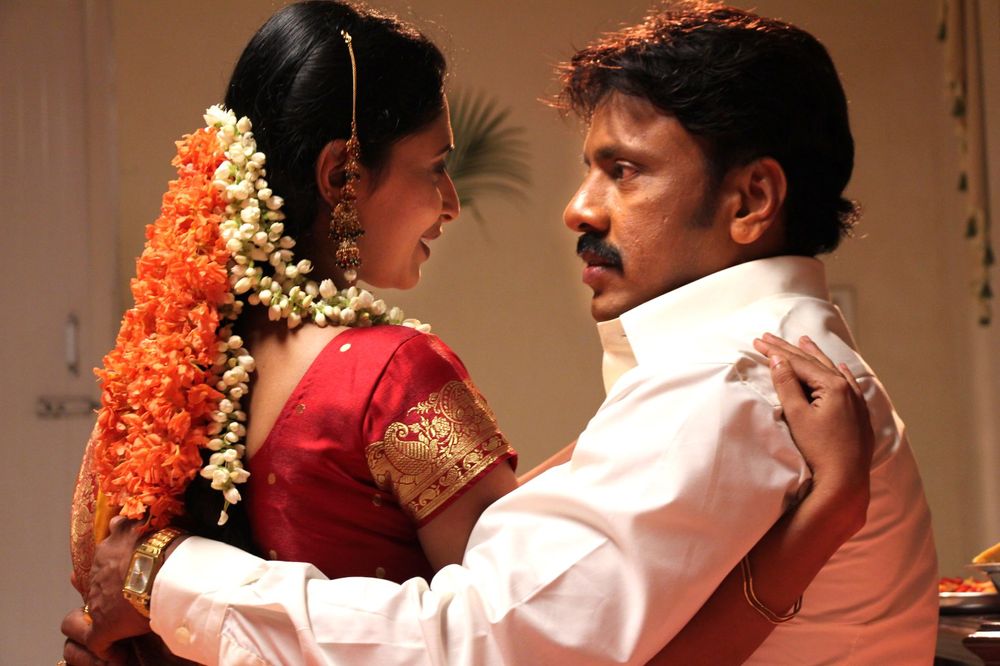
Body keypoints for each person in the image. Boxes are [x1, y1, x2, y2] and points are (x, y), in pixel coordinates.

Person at [62, 2, 934, 664]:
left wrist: (159, 579)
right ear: (341, 177)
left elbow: (482, 641)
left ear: (751, 200)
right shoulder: (395, 368)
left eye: (623, 171)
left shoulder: (733, 384)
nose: (578, 209)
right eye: (437, 168)